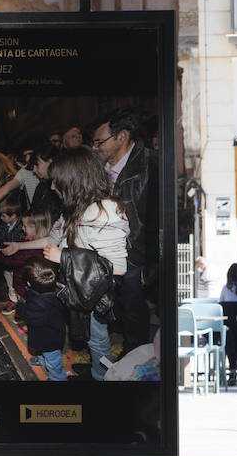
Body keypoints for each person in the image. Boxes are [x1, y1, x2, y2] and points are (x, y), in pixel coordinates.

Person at [36, 147, 128, 380]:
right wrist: (18, 247)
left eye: (57, 181)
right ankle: (98, 369)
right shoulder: (75, 207)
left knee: (98, 341)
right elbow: (54, 237)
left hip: (95, 297)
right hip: (80, 291)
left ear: (74, 181)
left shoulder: (105, 213)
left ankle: (103, 376)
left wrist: (65, 257)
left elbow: (117, 270)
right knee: (91, 339)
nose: (53, 187)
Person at [93, 107, 159, 353]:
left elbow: (155, 219)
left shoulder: (151, 164)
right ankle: (128, 350)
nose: (95, 147)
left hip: (134, 254)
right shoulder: (100, 168)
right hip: (110, 251)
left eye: (100, 141)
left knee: (133, 309)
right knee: (119, 307)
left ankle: (137, 357)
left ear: (121, 137)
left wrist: (144, 260)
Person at [14, 258, 68, 381]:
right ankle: (43, 361)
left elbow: (28, 316)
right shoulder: (54, 293)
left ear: (28, 283)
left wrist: (19, 306)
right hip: (49, 332)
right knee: (43, 352)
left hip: (50, 340)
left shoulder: (39, 305)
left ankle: (57, 378)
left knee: (53, 362)